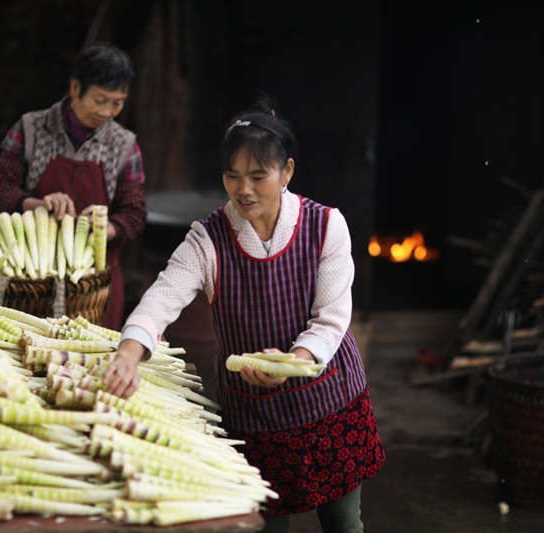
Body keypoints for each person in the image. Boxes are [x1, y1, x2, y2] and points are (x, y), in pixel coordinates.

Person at [103, 95, 385, 533]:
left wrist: (295, 362)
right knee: (263, 525)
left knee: (345, 524)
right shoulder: (208, 239)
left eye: (258, 176)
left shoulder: (326, 226)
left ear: (287, 171)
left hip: (327, 402)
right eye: (233, 176)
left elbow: (331, 318)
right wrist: (129, 350)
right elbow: (163, 296)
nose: (244, 189)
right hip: (256, 418)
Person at [0, 42, 146, 330]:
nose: (108, 111)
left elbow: (134, 213)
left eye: (117, 103)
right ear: (75, 89)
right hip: (31, 286)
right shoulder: (31, 129)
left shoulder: (125, 145)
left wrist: (108, 227)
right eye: (100, 100)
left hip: (95, 288)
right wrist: (36, 205)